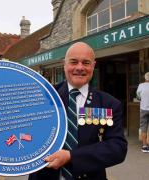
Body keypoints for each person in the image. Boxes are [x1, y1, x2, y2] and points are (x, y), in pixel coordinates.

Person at [29, 42, 127, 180]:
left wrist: (71, 157)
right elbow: (25, 133)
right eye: (73, 62)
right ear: (64, 64)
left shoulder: (109, 104)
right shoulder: (43, 98)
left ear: (93, 66)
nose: (79, 67)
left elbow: (117, 148)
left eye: (86, 63)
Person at [137, 72, 149, 153]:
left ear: (145, 78)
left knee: (143, 128)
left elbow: (138, 97)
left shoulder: (141, 86)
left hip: (143, 109)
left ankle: (144, 146)